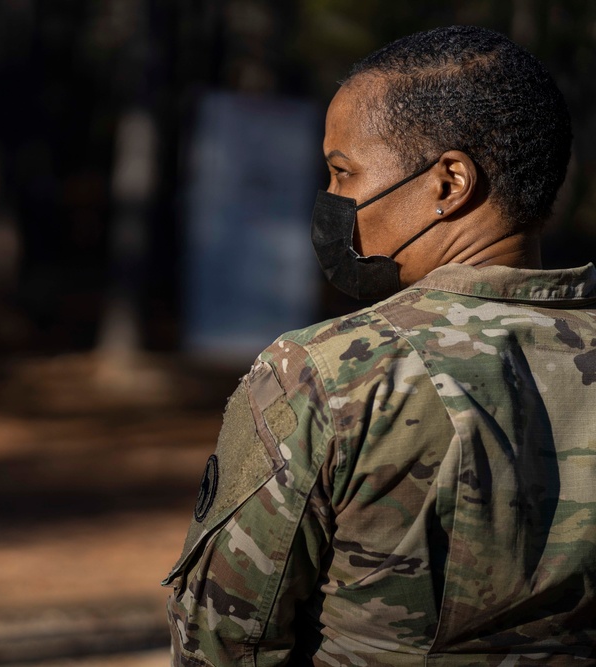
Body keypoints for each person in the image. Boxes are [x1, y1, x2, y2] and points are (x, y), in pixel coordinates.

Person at [164, 25, 596, 665]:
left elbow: (226, 643)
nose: (333, 199)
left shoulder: (326, 374)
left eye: (343, 172)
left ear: (449, 182)